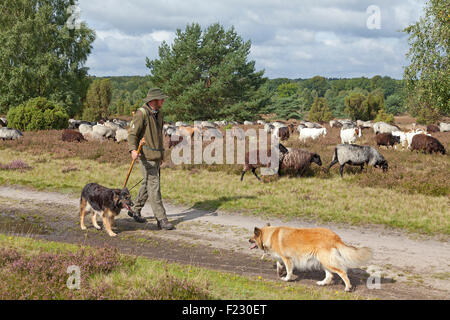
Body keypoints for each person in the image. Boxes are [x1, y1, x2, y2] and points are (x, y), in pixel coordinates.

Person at [127, 88, 174, 230]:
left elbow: (159, 137)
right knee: (154, 186)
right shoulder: (141, 114)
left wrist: (161, 156)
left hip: (156, 156)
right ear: (153, 100)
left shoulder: (159, 114)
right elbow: (132, 135)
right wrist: (133, 150)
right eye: (161, 99)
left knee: (148, 183)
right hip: (145, 156)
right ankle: (161, 219)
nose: (163, 101)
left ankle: (134, 209)